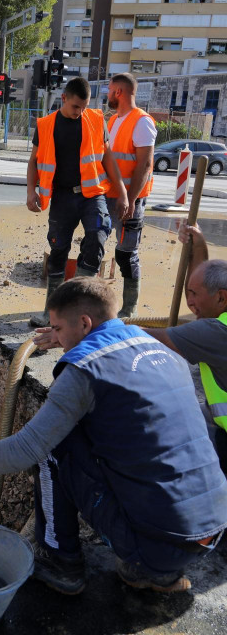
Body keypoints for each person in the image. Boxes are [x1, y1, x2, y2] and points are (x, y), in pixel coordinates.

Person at [0, 277, 227, 595]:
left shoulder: (84, 370)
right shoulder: (161, 349)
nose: (57, 340)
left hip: (160, 544)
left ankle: (61, 562)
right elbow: (104, 338)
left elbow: (25, 449)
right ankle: (154, 570)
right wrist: (65, 333)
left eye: (58, 329)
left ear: (85, 323)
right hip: (210, 530)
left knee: (53, 445)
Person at [27, 77, 129, 327]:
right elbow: (33, 161)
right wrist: (31, 191)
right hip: (61, 197)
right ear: (63, 99)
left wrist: (123, 192)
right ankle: (51, 314)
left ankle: (81, 306)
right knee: (58, 249)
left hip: (91, 194)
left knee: (97, 235)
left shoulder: (95, 120)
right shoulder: (46, 125)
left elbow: (108, 159)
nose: (80, 112)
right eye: (75, 107)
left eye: (83, 107)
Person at [143, 221, 227, 475]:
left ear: (222, 297)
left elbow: (145, 337)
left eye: (193, 295)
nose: (189, 303)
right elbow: (205, 286)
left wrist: (82, 329)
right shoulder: (218, 318)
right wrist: (198, 246)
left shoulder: (216, 333)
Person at [106, 72, 157, 318]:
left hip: (130, 200)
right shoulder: (114, 121)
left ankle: (129, 309)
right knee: (94, 246)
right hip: (109, 195)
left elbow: (145, 166)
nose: (107, 95)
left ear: (119, 92)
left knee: (126, 254)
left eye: (109, 90)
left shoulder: (142, 121)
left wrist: (132, 200)